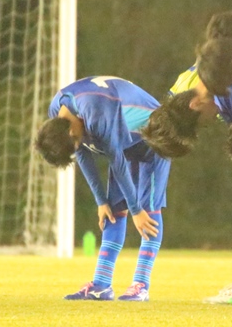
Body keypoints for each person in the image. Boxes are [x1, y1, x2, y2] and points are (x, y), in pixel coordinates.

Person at [35, 76, 170, 302]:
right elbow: (82, 152)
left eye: (75, 142)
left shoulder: (96, 110)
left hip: (156, 137)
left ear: (71, 132)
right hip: (126, 144)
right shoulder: (58, 112)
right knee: (113, 210)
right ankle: (101, 284)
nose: (78, 146)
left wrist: (136, 209)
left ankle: (141, 285)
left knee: (148, 209)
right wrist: (101, 200)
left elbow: (116, 160)